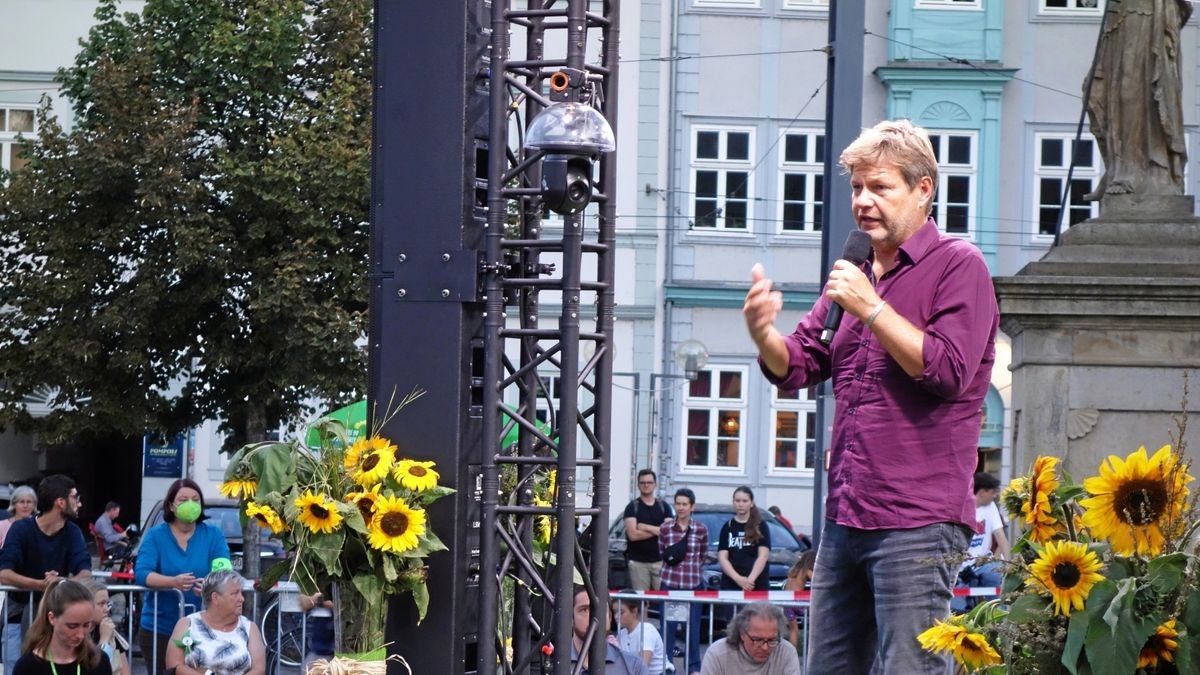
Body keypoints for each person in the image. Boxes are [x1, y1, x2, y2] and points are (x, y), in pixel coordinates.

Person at [742, 119, 999, 674]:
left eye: (880, 187)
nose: (862, 201)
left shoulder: (960, 265)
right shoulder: (856, 272)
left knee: (911, 668)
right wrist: (765, 334)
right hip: (846, 518)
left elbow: (949, 371)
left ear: (924, 188)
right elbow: (802, 361)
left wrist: (873, 310)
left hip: (918, 521)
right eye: (857, 188)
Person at [1086, 0, 1191, 199]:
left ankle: (1141, 172)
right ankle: (1117, 168)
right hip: (1117, 20)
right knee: (1096, 94)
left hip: (1147, 18)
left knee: (1135, 92)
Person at [134, 479, 231, 675]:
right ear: (171, 505)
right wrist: (173, 582)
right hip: (159, 628)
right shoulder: (156, 536)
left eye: (196, 499)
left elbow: (223, 569)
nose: (191, 504)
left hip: (204, 627)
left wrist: (210, 584)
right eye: (184, 499)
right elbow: (142, 573)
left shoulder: (213, 534)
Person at [0, 476, 92, 675]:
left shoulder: (73, 532)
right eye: (75, 497)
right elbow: (3, 573)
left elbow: (85, 573)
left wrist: (61, 583)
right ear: (60, 502)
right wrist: (41, 585)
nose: (79, 503)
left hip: (60, 617)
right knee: (16, 666)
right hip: (19, 613)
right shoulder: (21, 529)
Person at [165, 570, 265, 675]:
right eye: (235, 593)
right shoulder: (187, 624)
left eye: (241, 593)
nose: (242, 599)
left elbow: (259, 669)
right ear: (215, 597)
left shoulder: (249, 628)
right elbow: (174, 666)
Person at [11, 578, 111, 675]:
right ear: (52, 618)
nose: (80, 635)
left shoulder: (98, 661)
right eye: (72, 626)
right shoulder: (28, 667)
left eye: (86, 625)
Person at [657, 488, 708, 675]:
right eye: (678, 504)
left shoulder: (701, 530)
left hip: (693, 586)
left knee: (692, 630)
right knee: (667, 629)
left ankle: (693, 668)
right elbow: (662, 551)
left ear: (691, 506)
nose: (681, 508)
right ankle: (667, 666)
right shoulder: (665, 529)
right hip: (669, 584)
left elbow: (702, 554)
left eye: (684, 504)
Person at [953, 472, 1010, 612]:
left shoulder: (990, 507)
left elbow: (1000, 535)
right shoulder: (960, 507)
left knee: (996, 576)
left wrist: (1010, 565)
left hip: (985, 563)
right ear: (983, 492)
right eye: (993, 492)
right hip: (960, 566)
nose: (995, 496)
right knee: (957, 606)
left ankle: (998, 618)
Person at [698, 603, 800, 675]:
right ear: (742, 634)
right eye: (757, 640)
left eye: (772, 640)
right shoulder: (717, 654)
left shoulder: (786, 652)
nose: (765, 647)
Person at [568, 587, 648, 675]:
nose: (593, 616)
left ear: (609, 617)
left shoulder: (634, 667)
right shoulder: (554, 663)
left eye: (600, 609)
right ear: (571, 619)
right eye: (584, 610)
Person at [622, 470, 673, 591]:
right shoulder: (632, 507)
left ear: (655, 484)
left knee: (663, 601)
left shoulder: (664, 507)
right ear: (638, 485)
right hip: (638, 563)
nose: (646, 485)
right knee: (641, 603)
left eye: (649, 482)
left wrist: (644, 526)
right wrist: (658, 530)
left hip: (661, 562)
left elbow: (668, 532)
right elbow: (633, 535)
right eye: (643, 482)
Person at [716, 487, 770, 592]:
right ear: (733, 502)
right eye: (737, 501)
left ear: (751, 503)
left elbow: (763, 556)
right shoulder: (728, 527)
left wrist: (750, 581)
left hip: (756, 584)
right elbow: (722, 557)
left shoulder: (761, 526)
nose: (741, 504)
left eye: (745, 501)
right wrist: (738, 579)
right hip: (731, 584)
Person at [82, 579, 128, 675]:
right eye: (101, 604)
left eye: (108, 603)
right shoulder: (76, 635)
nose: (107, 609)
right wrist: (104, 639)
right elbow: (95, 670)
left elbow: (125, 671)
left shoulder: (108, 629)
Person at [613, 597, 665, 675]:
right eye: (614, 612)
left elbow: (642, 666)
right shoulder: (621, 634)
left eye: (621, 612)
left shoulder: (647, 630)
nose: (616, 616)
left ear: (634, 611)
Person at [782, 549, 815, 650]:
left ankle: (792, 654)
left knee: (793, 630)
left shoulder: (793, 570)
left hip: (787, 602)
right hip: (798, 602)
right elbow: (817, 580)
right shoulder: (806, 571)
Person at [297, 591, 334, 672]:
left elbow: (340, 604)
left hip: (337, 649)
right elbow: (304, 603)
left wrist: (318, 600)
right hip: (321, 647)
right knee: (307, 669)